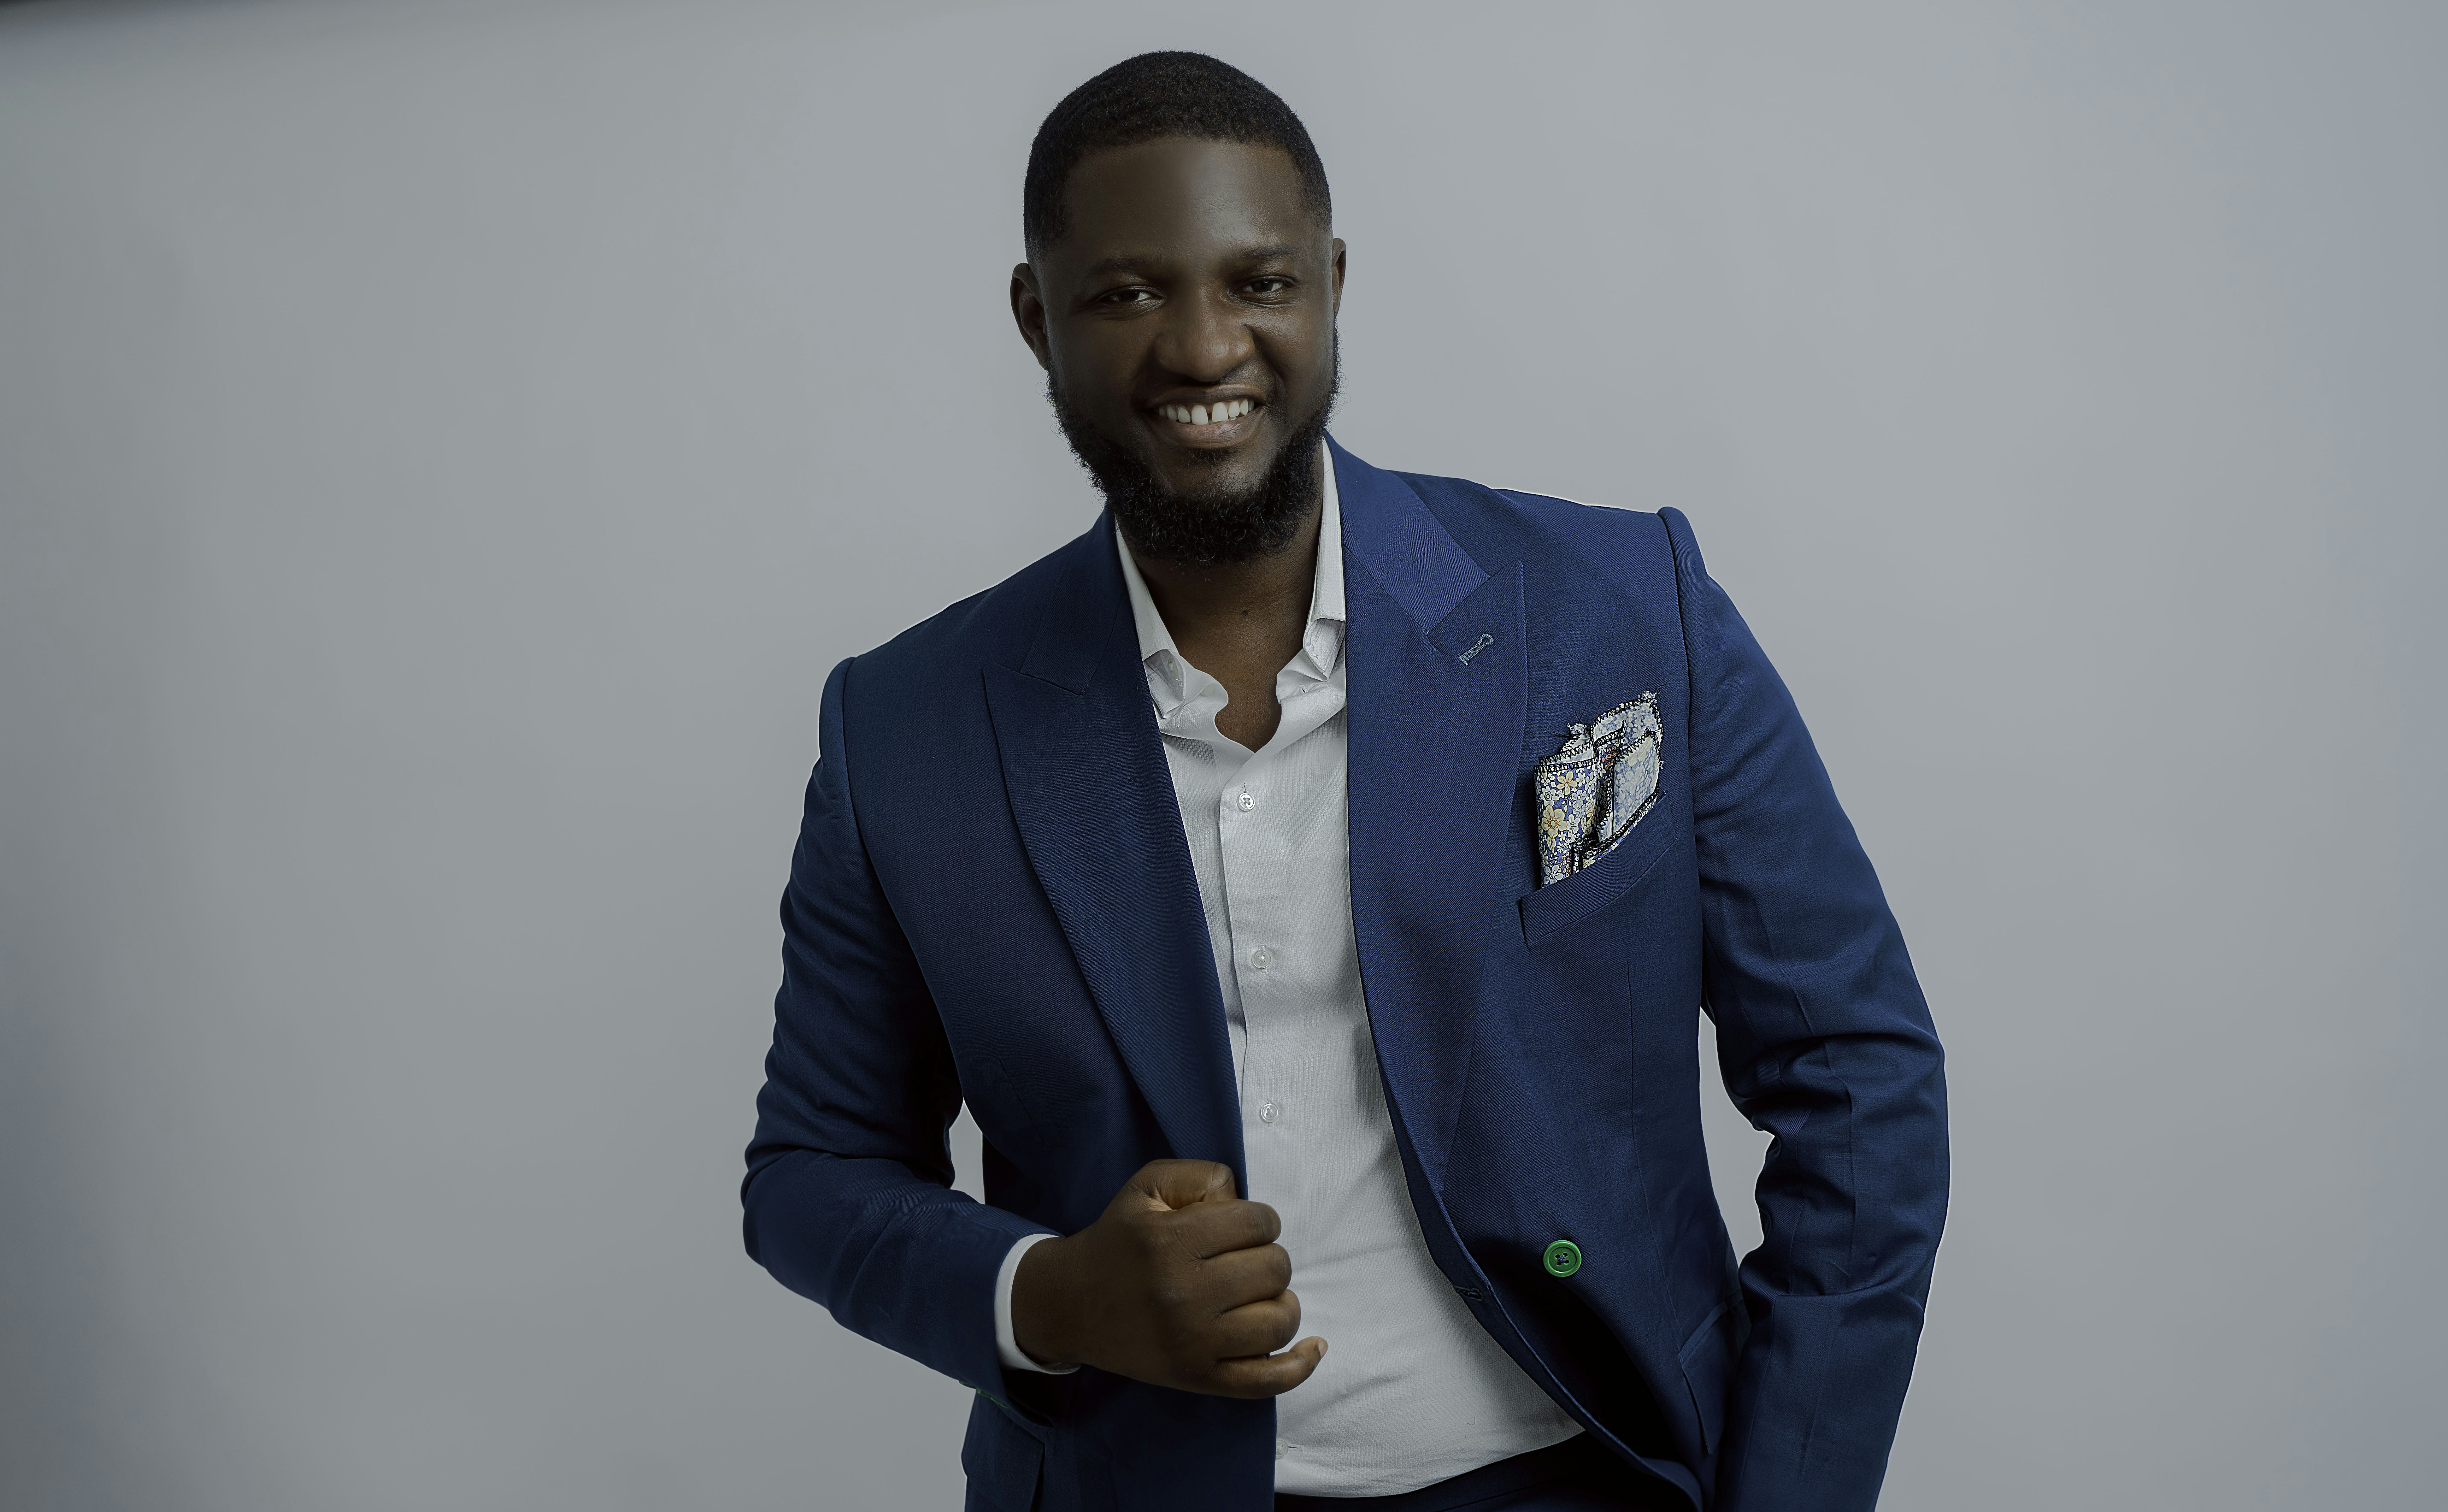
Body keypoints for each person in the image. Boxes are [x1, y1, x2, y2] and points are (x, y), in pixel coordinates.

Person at [742, 51, 1947, 1512]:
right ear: (1035, 317)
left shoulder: (1626, 610)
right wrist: (1049, 1295)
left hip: (1589, 1473)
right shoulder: (905, 728)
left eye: (1259, 282)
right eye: (1128, 293)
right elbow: (812, 1169)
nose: (1204, 348)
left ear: (1331, 285)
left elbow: (1857, 1073)